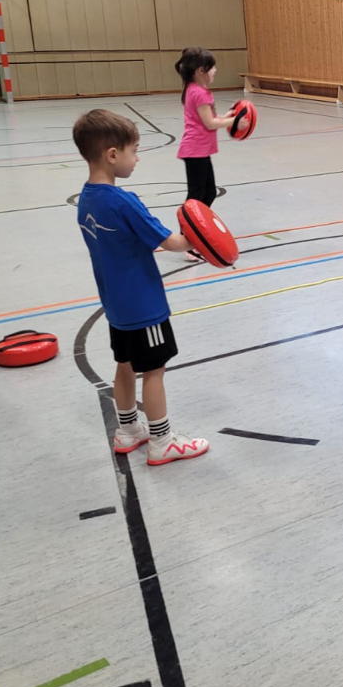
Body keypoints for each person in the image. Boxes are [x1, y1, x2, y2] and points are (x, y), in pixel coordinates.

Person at [73, 109, 210, 465]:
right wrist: (202, 234)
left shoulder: (86, 200)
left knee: (124, 363)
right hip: (143, 305)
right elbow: (173, 242)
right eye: (134, 150)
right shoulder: (124, 202)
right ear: (112, 155)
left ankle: (128, 430)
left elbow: (125, 242)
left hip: (115, 305)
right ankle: (163, 441)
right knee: (154, 369)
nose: (137, 158)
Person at [174, 48, 234, 261]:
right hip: (195, 151)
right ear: (201, 70)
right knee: (196, 196)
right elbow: (209, 123)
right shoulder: (198, 92)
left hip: (200, 151)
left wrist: (227, 116)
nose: (215, 71)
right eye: (212, 67)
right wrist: (233, 122)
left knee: (208, 193)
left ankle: (196, 230)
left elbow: (210, 118)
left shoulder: (194, 89)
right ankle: (187, 240)